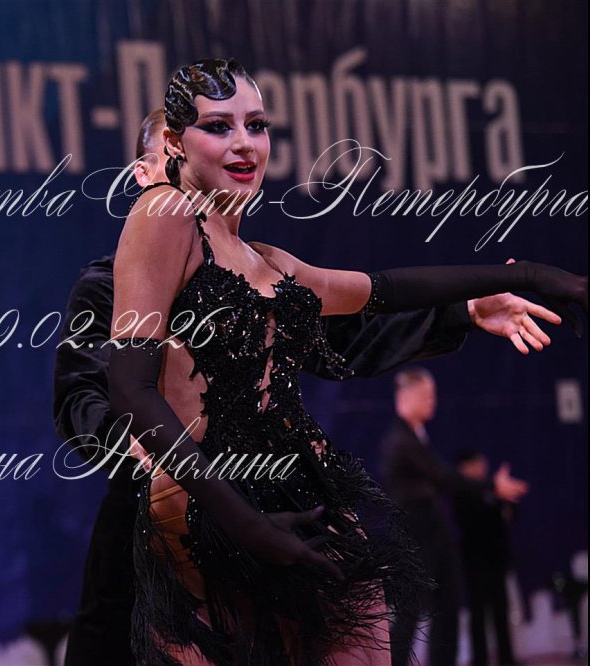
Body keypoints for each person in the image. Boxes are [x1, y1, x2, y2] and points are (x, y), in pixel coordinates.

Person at [107, 58, 586, 664]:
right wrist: (244, 522)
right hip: (206, 509)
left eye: (257, 125)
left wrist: (525, 279)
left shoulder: (269, 261)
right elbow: (128, 388)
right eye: (219, 126)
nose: (245, 143)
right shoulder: (163, 214)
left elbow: (383, 290)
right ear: (176, 143)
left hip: (299, 489)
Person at [380, 368, 528, 666]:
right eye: (426, 395)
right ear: (406, 396)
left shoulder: (414, 437)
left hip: (430, 534)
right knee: (412, 611)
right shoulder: (401, 441)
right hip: (416, 536)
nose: (432, 401)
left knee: (444, 606)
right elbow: (442, 476)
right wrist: (491, 485)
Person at [454, 450, 521, 666]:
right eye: (476, 464)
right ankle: (480, 659)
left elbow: (507, 515)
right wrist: (496, 497)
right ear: (464, 467)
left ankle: (506, 658)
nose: (481, 468)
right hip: (475, 562)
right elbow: (473, 522)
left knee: (501, 611)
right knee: (478, 614)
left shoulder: (491, 490)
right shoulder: (462, 491)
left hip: (496, 560)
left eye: (483, 463)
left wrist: (505, 500)